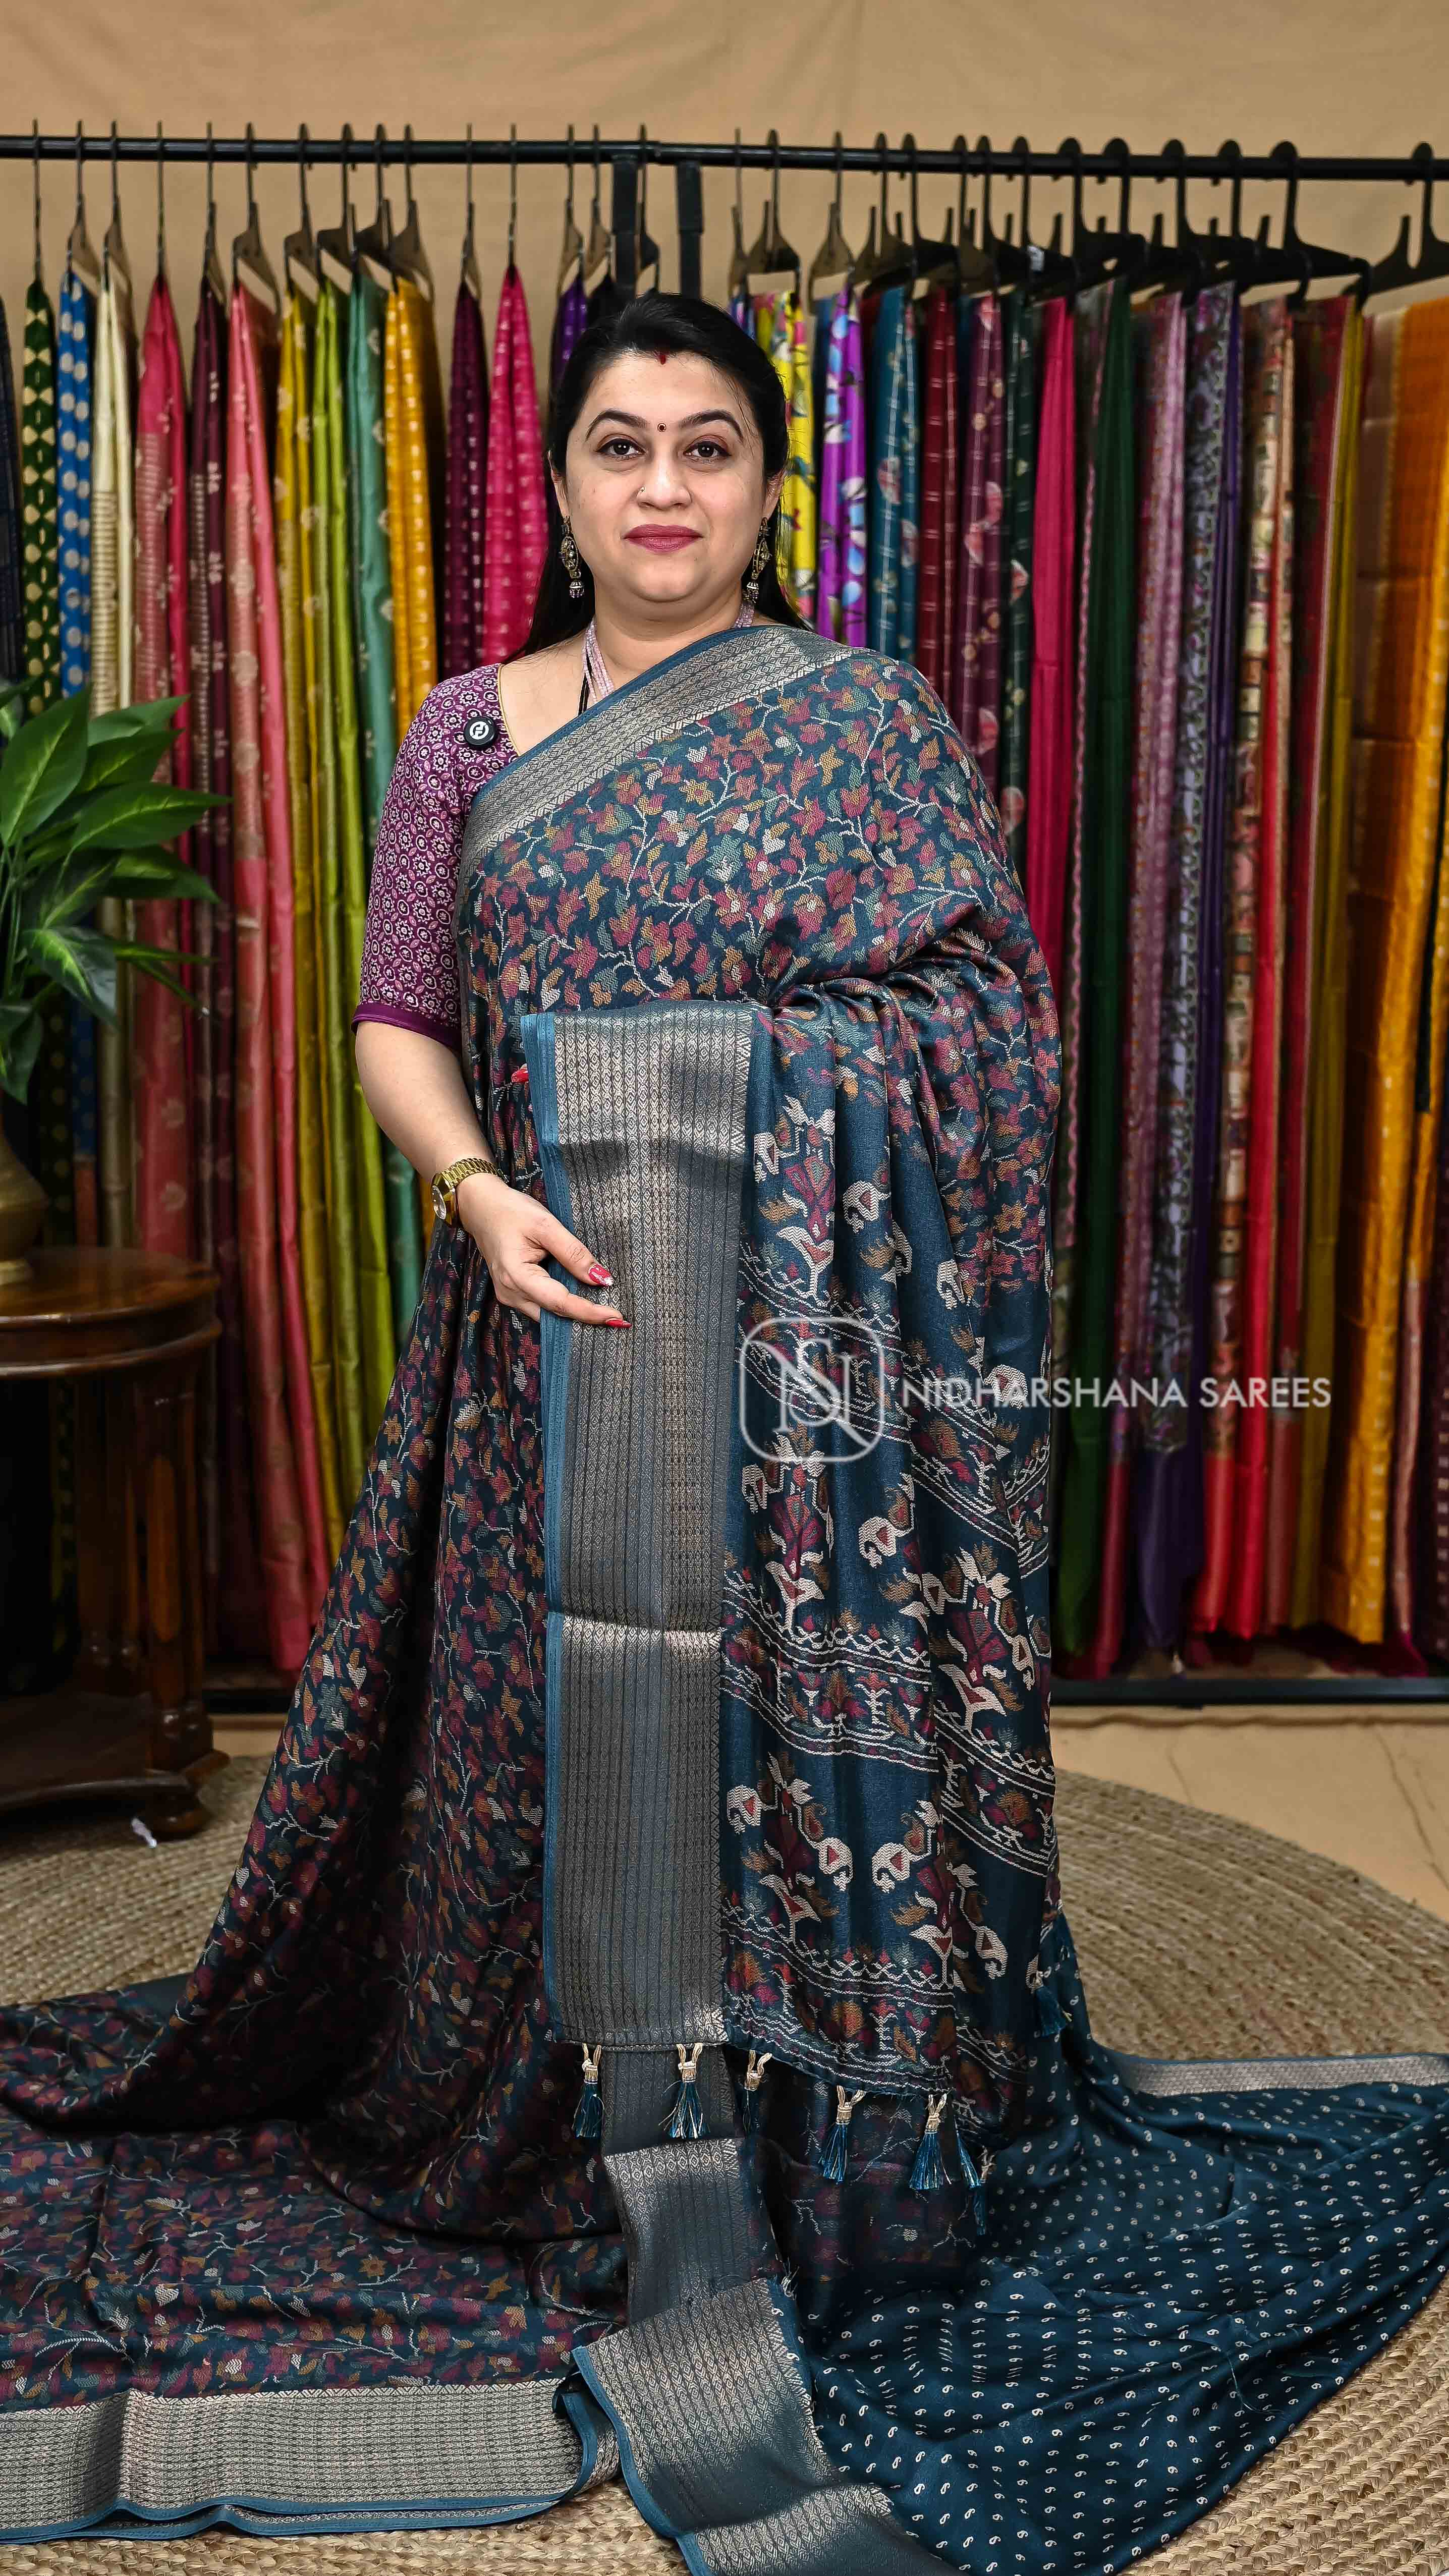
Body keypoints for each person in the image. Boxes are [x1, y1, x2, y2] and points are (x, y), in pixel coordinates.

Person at [1, 291, 1446, 2574]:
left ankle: (816, 2141)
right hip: (553, 1347)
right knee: (549, 1739)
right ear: (561, 484)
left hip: (812, 1392)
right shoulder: (467, 732)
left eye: (706, 445)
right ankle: (555, 2106)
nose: (661, 485)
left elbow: (987, 1028)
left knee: (783, 1736)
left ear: (771, 487)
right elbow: (396, 1015)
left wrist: (728, 1090)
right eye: (618, 444)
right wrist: (478, 1190)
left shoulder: (861, 721)